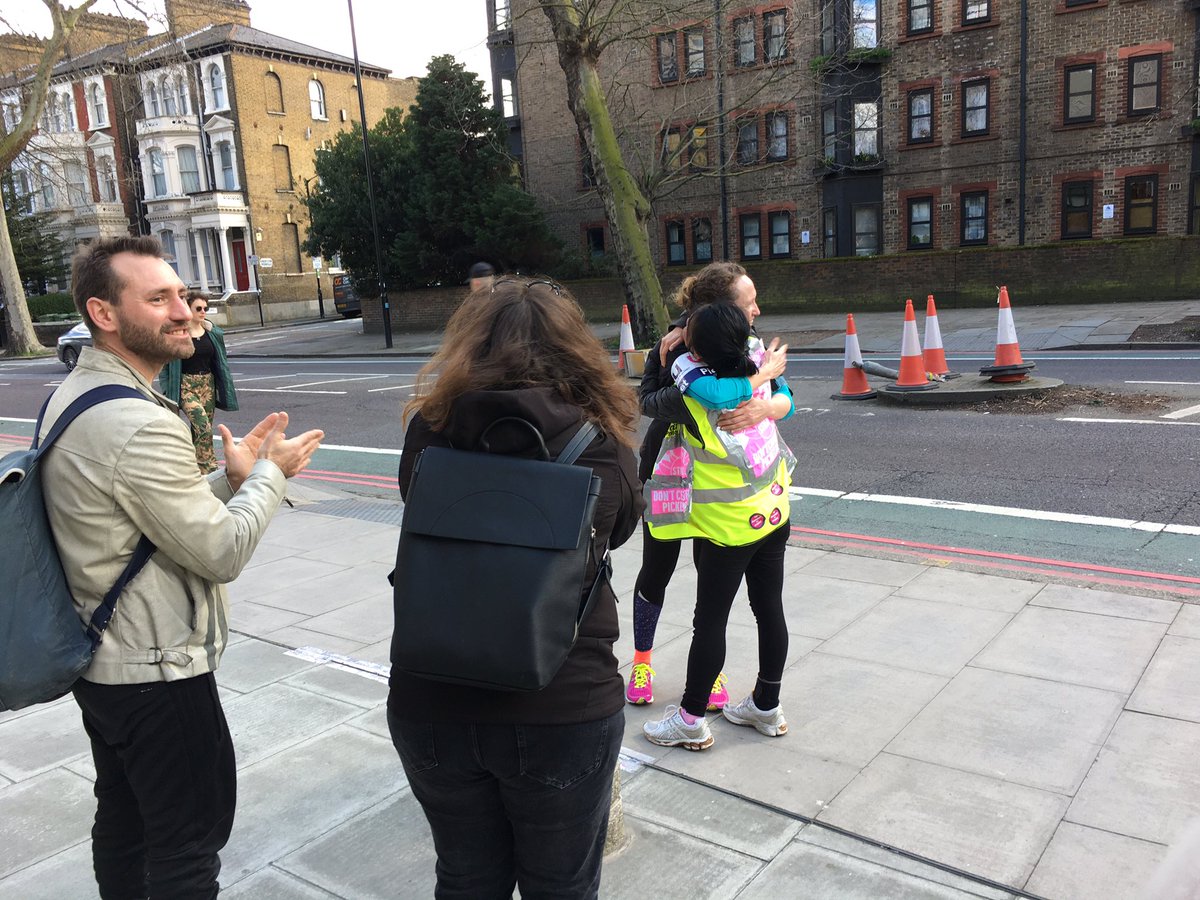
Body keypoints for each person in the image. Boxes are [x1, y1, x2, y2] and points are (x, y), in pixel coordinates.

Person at [39, 235, 324, 899]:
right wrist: (270, 480)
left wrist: (231, 482)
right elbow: (220, 552)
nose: (184, 311)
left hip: (104, 663)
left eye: (181, 294)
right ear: (105, 314)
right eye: (159, 297)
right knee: (188, 847)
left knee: (128, 821)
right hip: (158, 672)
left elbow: (141, 520)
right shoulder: (138, 421)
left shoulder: (78, 393)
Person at [389, 277, 643, 899]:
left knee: (466, 877)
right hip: (563, 702)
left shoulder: (430, 432)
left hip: (432, 696)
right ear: (576, 349)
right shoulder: (599, 444)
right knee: (562, 886)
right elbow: (621, 528)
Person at [643, 300, 794, 752]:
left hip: (728, 527)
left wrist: (663, 355)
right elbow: (780, 393)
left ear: (699, 351)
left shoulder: (693, 392)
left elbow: (649, 400)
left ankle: (690, 719)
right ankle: (766, 706)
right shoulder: (756, 361)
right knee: (769, 607)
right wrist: (765, 378)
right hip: (774, 509)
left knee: (709, 621)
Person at [626, 262, 776, 707]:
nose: (757, 310)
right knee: (657, 569)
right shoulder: (670, 348)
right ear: (718, 308)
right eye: (749, 303)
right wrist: (697, 387)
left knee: (712, 588)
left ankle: (709, 674)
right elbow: (648, 401)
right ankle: (641, 660)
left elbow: (780, 394)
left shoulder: (750, 346)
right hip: (668, 471)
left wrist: (764, 404)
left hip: (717, 485)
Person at [159, 291, 238, 474]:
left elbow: (220, 362)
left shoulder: (213, 333)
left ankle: (194, 467)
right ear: (188, 309)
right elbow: (165, 365)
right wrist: (166, 389)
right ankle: (208, 467)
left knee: (203, 429)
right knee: (202, 424)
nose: (203, 312)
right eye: (198, 308)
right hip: (186, 385)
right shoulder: (179, 333)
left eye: (205, 308)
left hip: (207, 385)